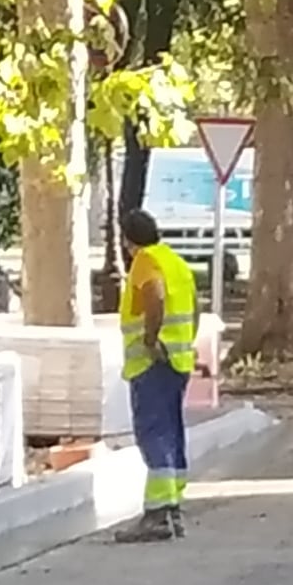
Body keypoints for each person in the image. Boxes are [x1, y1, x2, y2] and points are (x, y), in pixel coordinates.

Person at [116, 209, 200, 542]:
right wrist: (185, 342)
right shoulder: (175, 261)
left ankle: (157, 516)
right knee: (172, 429)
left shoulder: (145, 261)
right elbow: (195, 308)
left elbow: (155, 294)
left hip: (152, 362)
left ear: (127, 240)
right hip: (178, 361)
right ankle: (173, 509)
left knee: (153, 431)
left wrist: (151, 340)